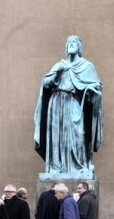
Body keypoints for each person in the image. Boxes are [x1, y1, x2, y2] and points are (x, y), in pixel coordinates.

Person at [34, 35, 104, 177]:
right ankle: (56, 167)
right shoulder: (60, 65)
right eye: (69, 43)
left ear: (79, 47)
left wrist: (93, 90)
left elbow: (96, 87)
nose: (71, 44)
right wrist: (57, 73)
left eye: (74, 42)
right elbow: (46, 84)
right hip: (56, 103)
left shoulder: (87, 66)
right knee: (56, 136)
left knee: (78, 134)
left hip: (74, 103)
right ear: (66, 48)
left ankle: (79, 166)